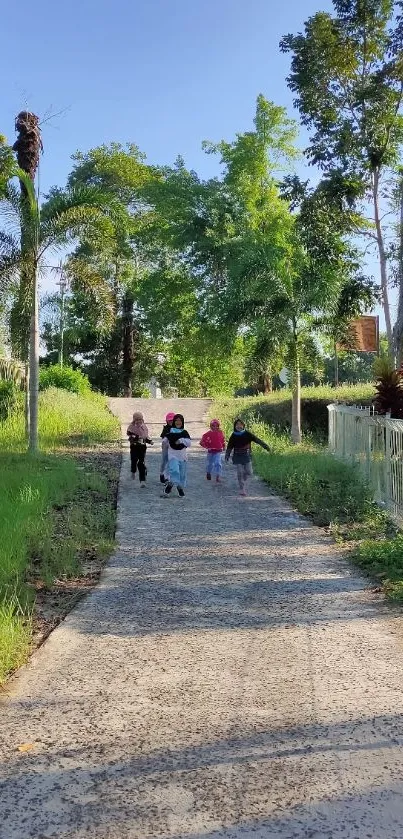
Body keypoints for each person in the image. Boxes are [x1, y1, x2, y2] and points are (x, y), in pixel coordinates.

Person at [225, 418, 270, 496]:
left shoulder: (247, 434)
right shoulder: (233, 435)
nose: (239, 426)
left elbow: (257, 440)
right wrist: (227, 455)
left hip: (246, 455)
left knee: (249, 472)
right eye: (237, 425)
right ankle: (242, 489)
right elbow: (229, 446)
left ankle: (244, 476)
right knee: (239, 472)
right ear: (235, 426)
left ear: (243, 426)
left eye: (240, 424)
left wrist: (265, 446)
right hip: (237, 456)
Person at [162, 413, 191, 498]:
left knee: (181, 475)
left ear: (182, 422)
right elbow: (165, 439)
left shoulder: (185, 432)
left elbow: (189, 443)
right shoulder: (170, 432)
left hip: (182, 456)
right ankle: (174, 486)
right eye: (176, 420)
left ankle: (174, 485)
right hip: (173, 455)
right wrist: (164, 442)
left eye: (180, 421)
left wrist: (181, 440)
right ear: (174, 422)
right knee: (174, 470)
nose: (178, 422)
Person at [126, 411, 153, 487]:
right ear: (134, 420)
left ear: (142, 419)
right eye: (137, 419)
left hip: (142, 447)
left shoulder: (144, 427)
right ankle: (133, 471)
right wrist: (136, 437)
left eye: (140, 419)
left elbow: (146, 436)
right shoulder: (132, 427)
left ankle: (142, 480)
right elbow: (129, 434)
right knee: (134, 460)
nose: (138, 421)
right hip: (134, 447)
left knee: (141, 463)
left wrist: (149, 441)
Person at [199, 418, 226, 483]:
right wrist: (207, 447)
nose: (215, 427)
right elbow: (202, 442)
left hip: (218, 451)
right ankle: (208, 472)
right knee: (209, 464)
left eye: (217, 426)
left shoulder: (220, 432)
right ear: (210, 426)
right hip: (211, 451)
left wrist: (224, 446)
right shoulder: (207, 434)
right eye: (213, 425)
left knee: (218, 463)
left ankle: (218, 476)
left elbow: (222, 440)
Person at [160, 411, 175, 484]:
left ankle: (167, 477)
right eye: (170, 420)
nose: (171, 422)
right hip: (166, 448)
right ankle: (162, 473)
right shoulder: (165, 429)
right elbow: (163, 439)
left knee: (171, 462)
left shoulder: (177, 429)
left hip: (173, 449)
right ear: (167, 421)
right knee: (164, 462)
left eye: (173, 420)